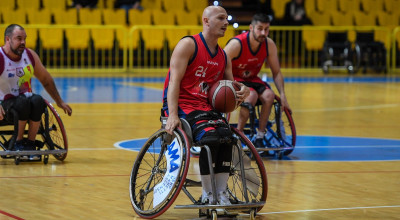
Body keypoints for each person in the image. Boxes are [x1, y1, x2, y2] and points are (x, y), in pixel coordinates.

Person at [162, 6, 249, 205]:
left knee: (228, 138)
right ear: (206, 20)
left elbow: (231, 87)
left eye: (227, 18)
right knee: (211, 138)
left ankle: (221, 194)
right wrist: (172, 115)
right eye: (220, 18)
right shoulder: (188, 45)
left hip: (206, 108)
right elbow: (173, 82)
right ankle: (208, 195)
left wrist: (244, 91)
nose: (226, 22)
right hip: (182, 106)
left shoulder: (223, 56)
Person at [0, 24, 72, 152]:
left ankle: (30, 143)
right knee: (22, 102)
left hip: (26, 102)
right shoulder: (1, 57)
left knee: (38, 100)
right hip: (5, 106)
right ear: (7, 39)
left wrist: (59, 101)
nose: (23, 42)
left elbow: (46, 79)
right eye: (18, 38)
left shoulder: (29, 55)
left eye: (24, 39)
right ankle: (18, 141)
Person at [224, 13, 291, 150]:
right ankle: (239, 135)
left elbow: (276, 72)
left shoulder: (269, 45)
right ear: (251, 28)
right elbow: (220, 63)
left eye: (266, 29)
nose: (263, 33)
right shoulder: (237, 44)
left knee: (269, 95)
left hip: (253, 80)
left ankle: (259, 136)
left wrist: (283, 95)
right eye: (260, 28)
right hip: (235, 80)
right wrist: (229, 84)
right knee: (251, 95)